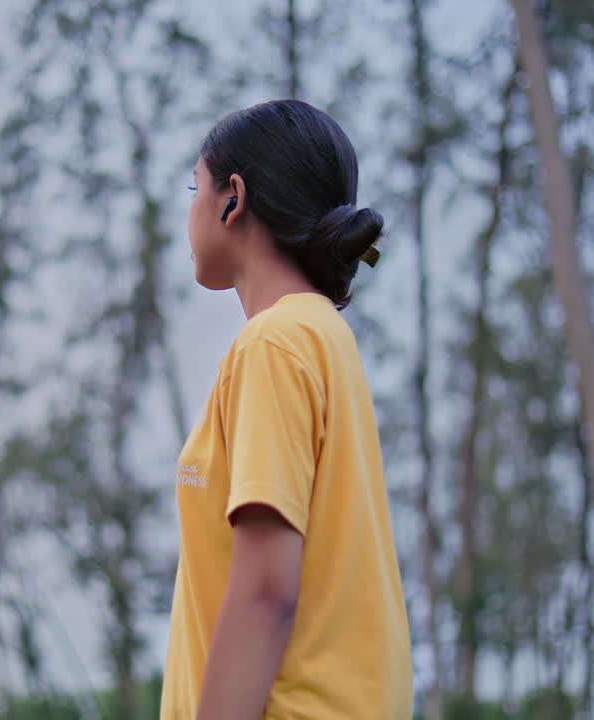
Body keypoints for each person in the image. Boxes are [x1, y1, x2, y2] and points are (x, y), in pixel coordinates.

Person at [161, 99, 412, 719]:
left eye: (198, 187)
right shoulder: (322, 336)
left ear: (232, 198)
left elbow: (267, 589)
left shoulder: (275, 343)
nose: (190, 208)